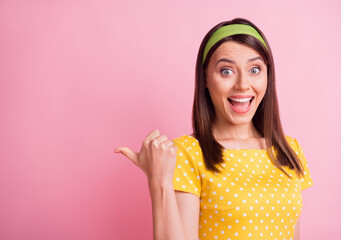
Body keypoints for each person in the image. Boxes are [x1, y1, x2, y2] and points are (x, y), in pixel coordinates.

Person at [115, 17, 314, 240]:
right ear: (206, 79)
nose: (243, 84)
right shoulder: (188, 153)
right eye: (226, 71)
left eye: (255, 70)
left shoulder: (289, 149)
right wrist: (159, 181)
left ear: (268, 75)